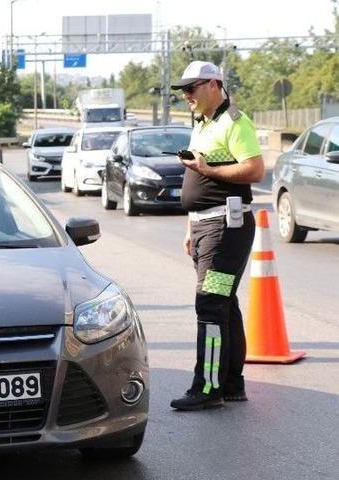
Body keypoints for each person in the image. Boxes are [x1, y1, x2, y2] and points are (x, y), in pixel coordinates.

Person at [168, 61, 264, 411]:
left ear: (212, 84)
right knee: (224, 304)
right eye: (182, 91)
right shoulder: (202, 123)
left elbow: (254, 169)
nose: (186, 96)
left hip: (227, 228)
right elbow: (197, 182)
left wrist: (209, 169)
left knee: (210, 302)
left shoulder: (234, 122)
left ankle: (208, 387)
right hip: (206, 227)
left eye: (191, 89)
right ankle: (232, 382)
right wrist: (190, 226)